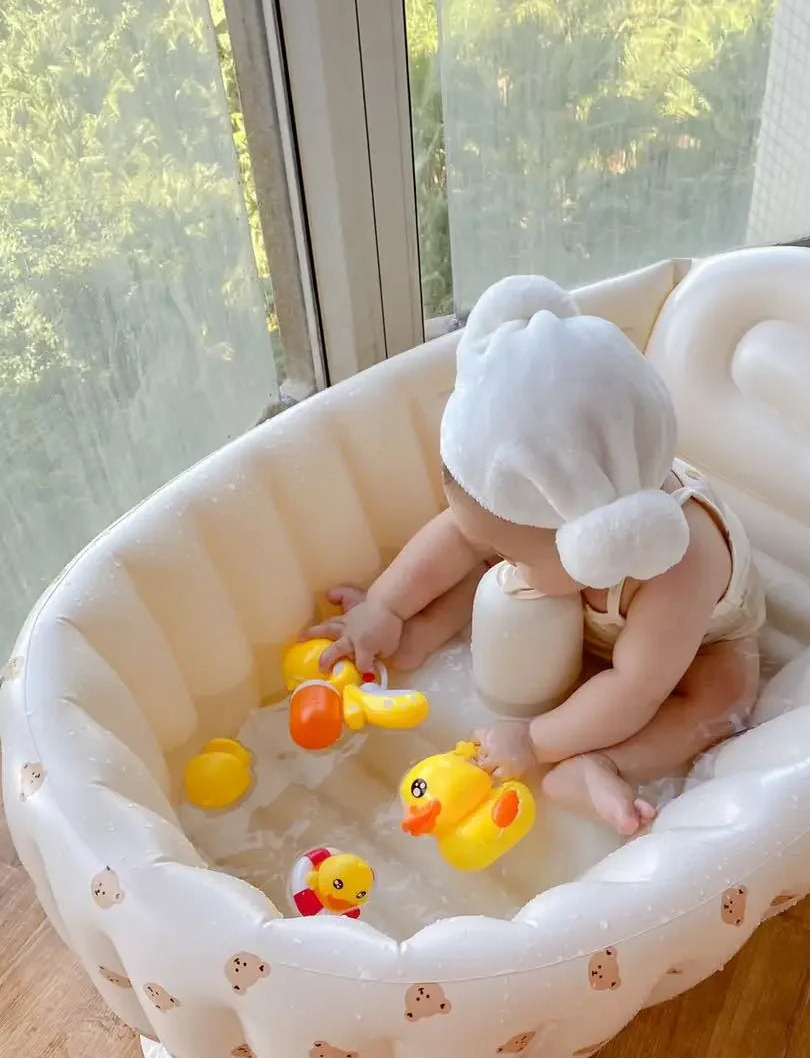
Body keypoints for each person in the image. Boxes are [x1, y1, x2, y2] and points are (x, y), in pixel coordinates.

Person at [306, 275, 765, 834]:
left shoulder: (680, 567)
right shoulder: (538, 521)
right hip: (584, 594)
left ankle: (603, 764)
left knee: (726, 695)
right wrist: (386, 607)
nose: (499, 556)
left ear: (596, 539)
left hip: (693, 644)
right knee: (494, 569)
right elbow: (459, 533)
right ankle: (417, 632)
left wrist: (535, 739)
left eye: (509, 546)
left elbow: (634, 689)